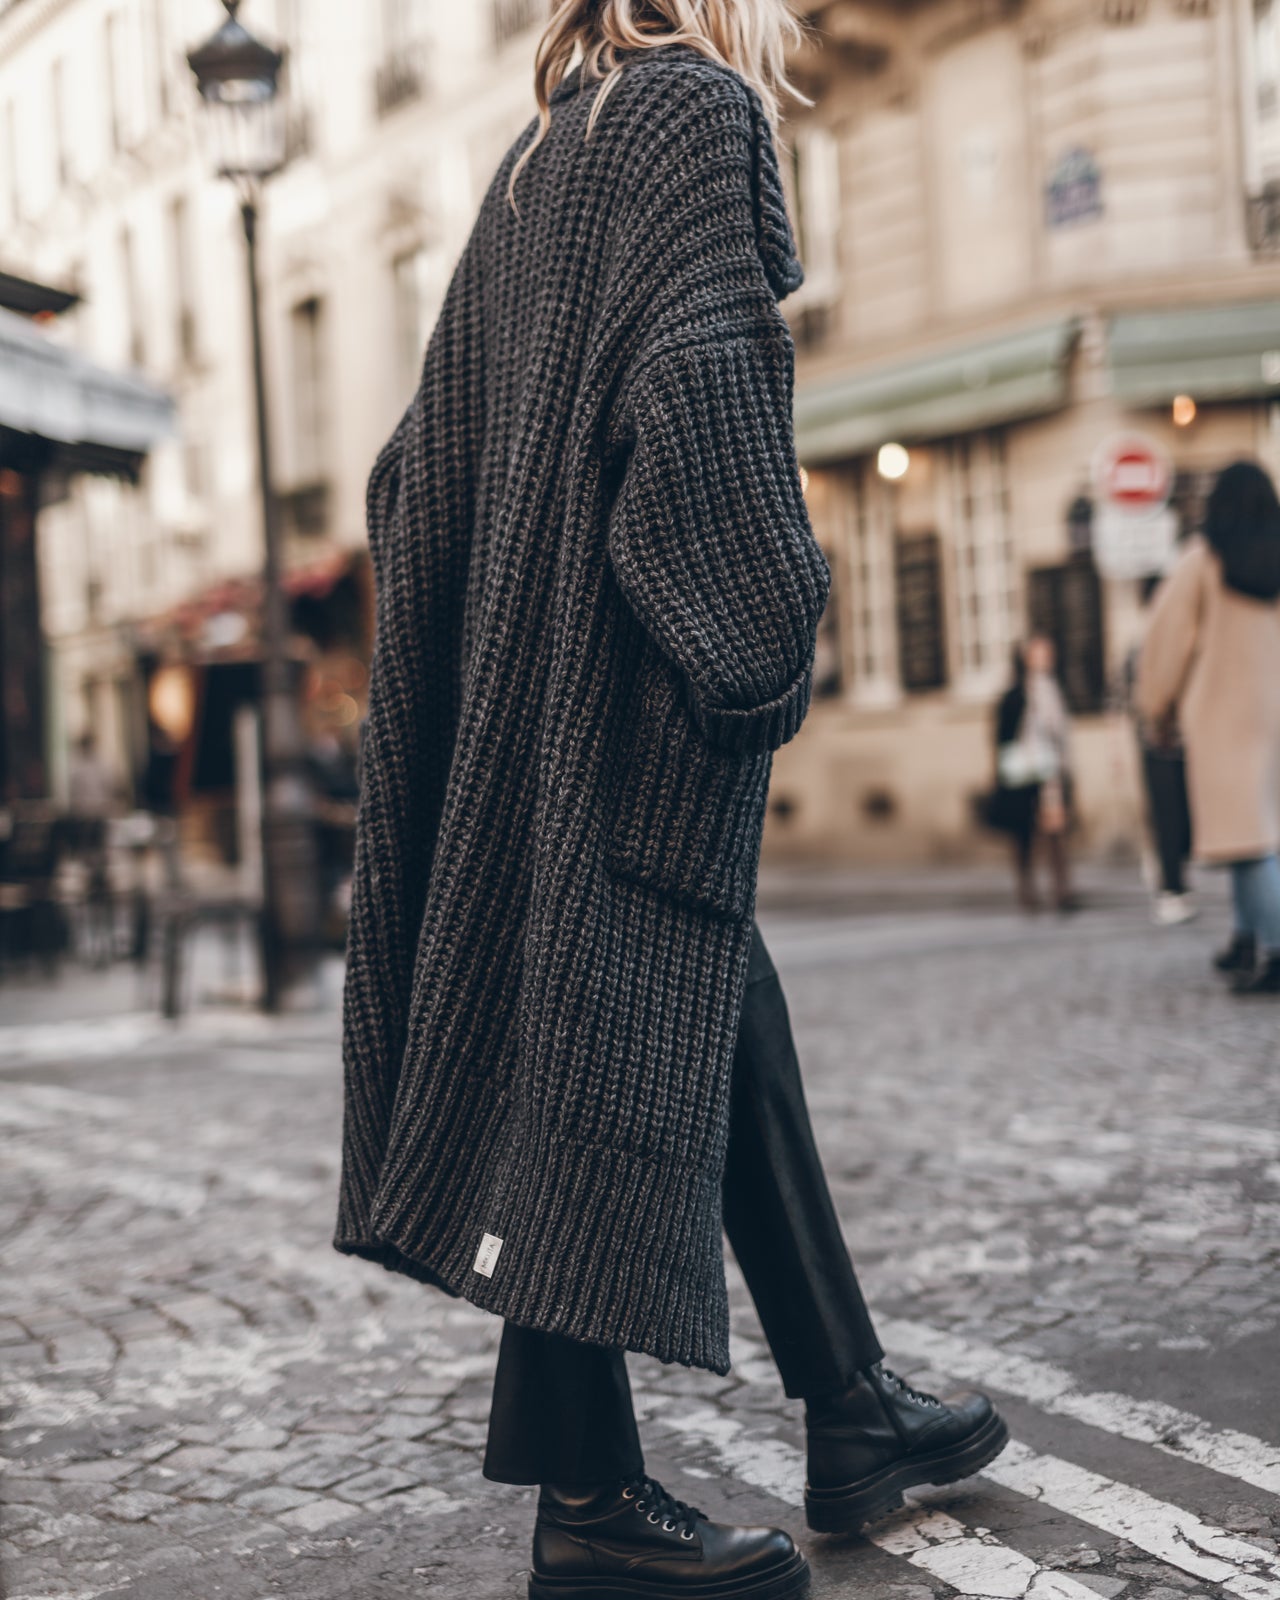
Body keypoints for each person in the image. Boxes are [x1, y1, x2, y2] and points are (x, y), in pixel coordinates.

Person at [337, 6, 1008, 1595]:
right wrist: (760, 640)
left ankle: (847, 1406)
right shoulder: (690, 115)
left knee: (705, 1003)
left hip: (537, 716)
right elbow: (705, 420)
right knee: (620, 1018)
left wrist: (489, 648)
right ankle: (588, 1503)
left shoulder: (538, 153)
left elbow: (406, 471)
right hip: (613, 719)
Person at [1138, 460, 1280, 995]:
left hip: (1226, 718)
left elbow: (1166, 640)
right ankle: (1246, 938)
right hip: (1276, 716)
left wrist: (1157, 706)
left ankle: (1275, 946)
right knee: (1261, 831)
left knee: (1249, 839)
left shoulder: (1203, 561)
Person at [1126, 582, 1195, 927]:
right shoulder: (1137, 649)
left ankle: (1176, 880)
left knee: (1184, 820)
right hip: (1156, 747)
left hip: (1185, 745)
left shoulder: (1181, 640)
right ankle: (1172, 887)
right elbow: (1127, 702)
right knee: (1165, 819)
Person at [993, 637, 1076, 913]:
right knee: (1024, 834)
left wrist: (1067, 769)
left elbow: (1062, 734)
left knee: (1055, 831)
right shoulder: (1016, 692)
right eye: (1039, 653)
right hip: (1023, 774)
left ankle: (1061, 889)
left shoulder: (1054, 689)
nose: (1046, 657)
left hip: (1050, 773)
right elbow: (1002, 735)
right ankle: (1027, 890)